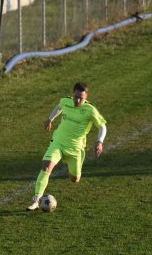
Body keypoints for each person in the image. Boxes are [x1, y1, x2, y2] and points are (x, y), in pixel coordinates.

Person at [27, 82, 107, 211]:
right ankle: (36, 200)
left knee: (74, 179)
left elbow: (102, 126)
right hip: (58, 142)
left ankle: (71, 170)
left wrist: (99, 142)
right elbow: (59, 107)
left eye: (81, 97)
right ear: (72, 94)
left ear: (86, 97)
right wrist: (50, 119)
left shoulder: (90, 110)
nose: (78, 100)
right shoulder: (66, 101)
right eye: (76, 96)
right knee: (46, 166)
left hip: (75, 149)